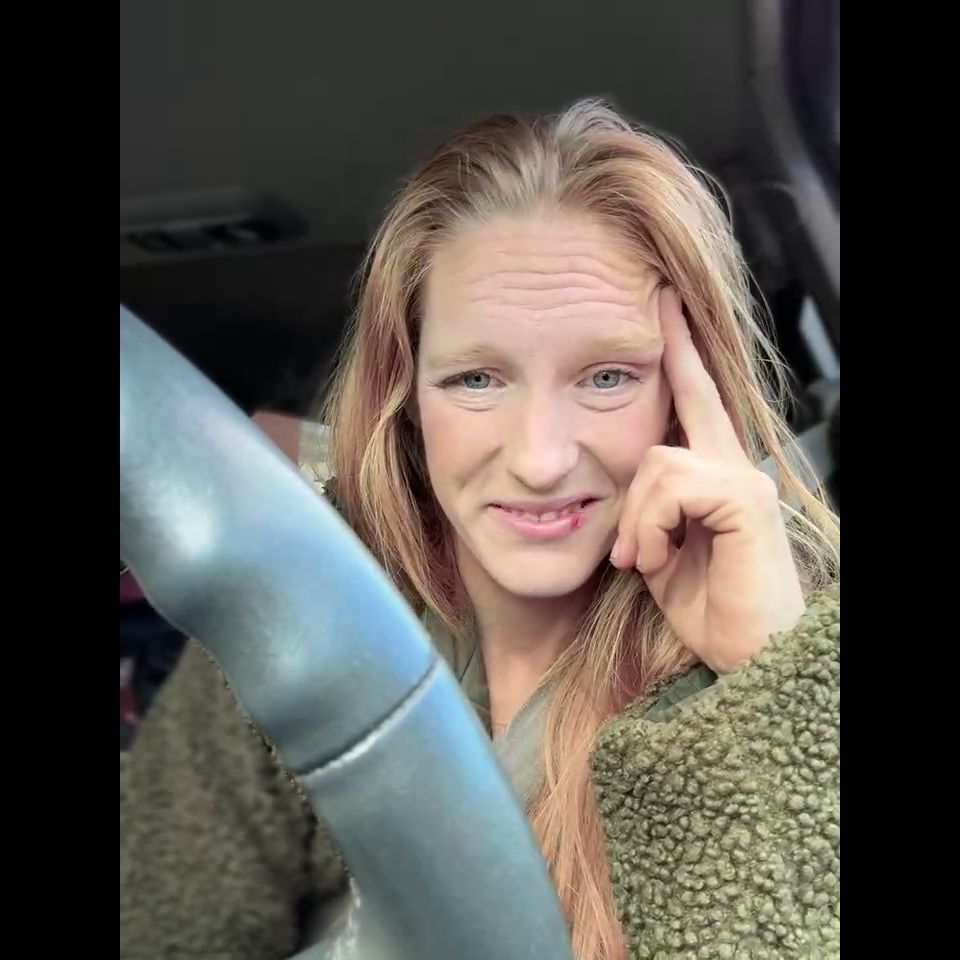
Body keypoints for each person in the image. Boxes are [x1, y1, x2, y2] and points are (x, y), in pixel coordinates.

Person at [120, 100, 840, 960]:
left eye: (608, 376)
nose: (540, 459)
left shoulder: (798, 658)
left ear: (687, 397)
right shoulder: (290, 621)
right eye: (476, 380)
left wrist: (768, 680)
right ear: (405, 397)